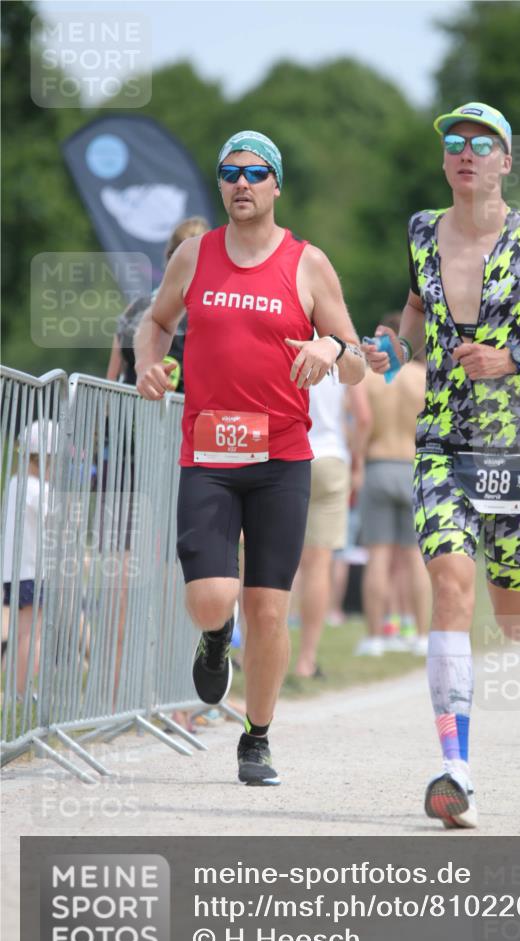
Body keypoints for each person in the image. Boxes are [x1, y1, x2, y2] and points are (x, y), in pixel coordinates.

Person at [363, 102, 520, 829]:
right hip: (440, 440)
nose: (466, 152)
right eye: (454, 143)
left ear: (505, 161)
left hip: (514, 450)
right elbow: (412, 310)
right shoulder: (419, 233)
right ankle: (455, 770)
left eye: (482, 143)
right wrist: (393, 350)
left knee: (510, 613)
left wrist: (515, 357)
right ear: (445, 162)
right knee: (448, 583)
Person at [135, 130, 366, 786]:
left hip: (282, 459)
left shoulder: (307, 263)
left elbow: (356, 366)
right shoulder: (194, 256)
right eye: (230, 172)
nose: (241, 182)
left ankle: (256, 738)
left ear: (276, 186)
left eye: (255, 172)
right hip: (207, 452)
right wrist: (152, 366)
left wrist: (329, 347)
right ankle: (214, 638)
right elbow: (155, 323)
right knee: (213, 599)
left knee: (269, 609)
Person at [355, 312, 431, 657]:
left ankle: (375, 637)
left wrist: (356, 465)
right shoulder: (423, 379)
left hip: (378, 464)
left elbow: (361, 425)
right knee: (416, 557)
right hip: (413, 466)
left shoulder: (371, 381)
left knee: (379, 557)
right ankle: (421, 634)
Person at [293, 370, 370, 678]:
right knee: (319, 563)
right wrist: (358, 460)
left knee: (275, 559)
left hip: (288, 453)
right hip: (330, 456)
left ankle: (255, 654)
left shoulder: (284, 334)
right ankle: (306, 660)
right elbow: (363, 417)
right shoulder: (343, 352)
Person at [106, 216, 211, 391]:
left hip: (128, 413)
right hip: (144, 413)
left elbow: (112, 377)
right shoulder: (136, 308)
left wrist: (105, 412)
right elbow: (112, 376)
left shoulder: (135, 307)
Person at [2, 421, 53, 697]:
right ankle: (22, 692)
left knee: (21, 632)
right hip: (32, 570)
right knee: (31, 634)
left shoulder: (15, 482)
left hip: (15, 571)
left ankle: (14, 691)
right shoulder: (37, 489)